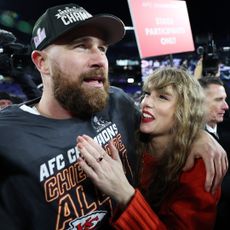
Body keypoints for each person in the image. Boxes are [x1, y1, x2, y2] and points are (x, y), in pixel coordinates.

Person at [0, 3, 227, 230]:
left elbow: (166, 126)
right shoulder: (7, 138)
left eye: (103, 48)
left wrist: (197, 135)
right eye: (81, 46)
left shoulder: (117, 102)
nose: (100, 59)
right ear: (42, 62)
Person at [76, 67, 222, 229]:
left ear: (185, 110)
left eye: (162, 97)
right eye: (147, 94)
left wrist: (124, 194)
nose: (146, 103)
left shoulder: (200, 166)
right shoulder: (128, 136)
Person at [198, 76, 230, 229]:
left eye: (225, 99)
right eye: (218, 100)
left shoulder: (225, 129)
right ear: (198, 102)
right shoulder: (191, 144)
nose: (226, 106)